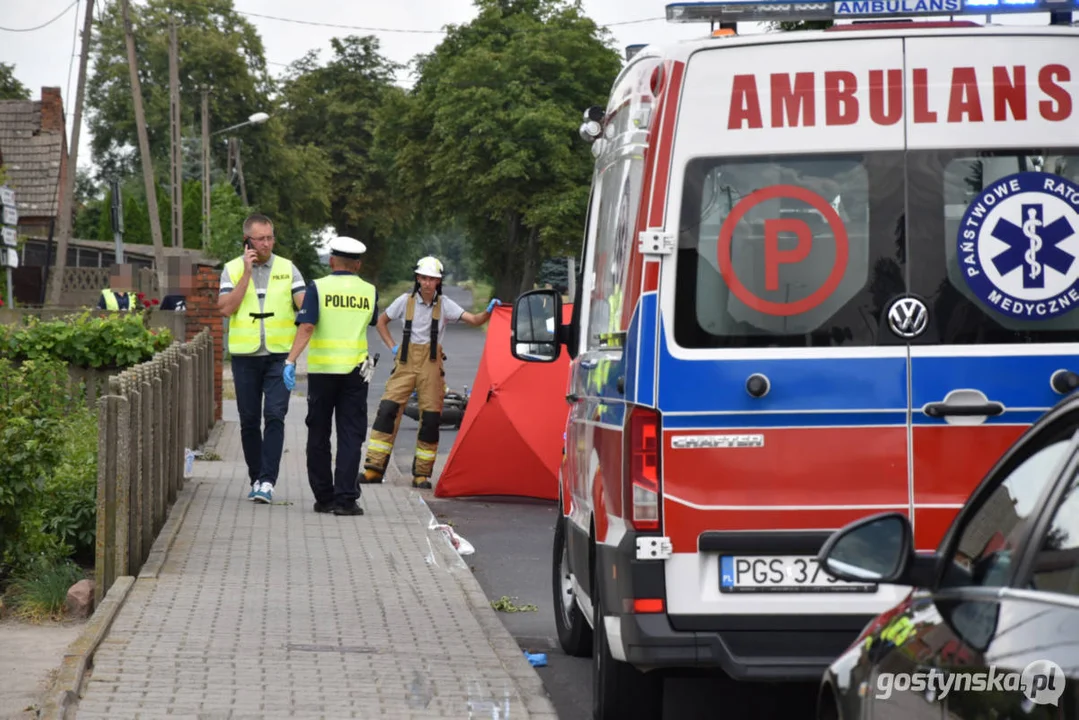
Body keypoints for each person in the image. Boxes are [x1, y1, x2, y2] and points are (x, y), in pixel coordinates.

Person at [361, 256, 502, 489]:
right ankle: (373, 470)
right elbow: (381, 322)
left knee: (430, 419)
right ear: (417, 278)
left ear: (438, 282)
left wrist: (488, 312)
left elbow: (474, 321)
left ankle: (422, 475)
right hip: (405, 364)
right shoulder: (404, 302)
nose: (427, 283)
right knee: (387, 411)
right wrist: (393, 347)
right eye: (424, 278)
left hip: (431, 366)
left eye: (432, 279)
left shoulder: (445, 304)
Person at [282, 237, 378, 516]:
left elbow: (308, 326)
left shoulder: (318, 287)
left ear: (331, 261)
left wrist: (290, 360)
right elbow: (369, 322)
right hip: (356, 373)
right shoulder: (369, 291)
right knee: (350, 434)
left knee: (319, 433)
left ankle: (324, 498)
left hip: (323, 373)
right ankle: (346, 499)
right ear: (358, 264)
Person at [217, 214, 306, 504]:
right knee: (249, 420)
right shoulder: (231, 270)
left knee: (275, 416)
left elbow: (304, 305)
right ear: (247, 241)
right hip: (245, 357)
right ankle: (256, 476)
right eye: (260, 238)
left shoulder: (287, 268)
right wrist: (246, 271)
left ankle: (268, 481)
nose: (267, 243)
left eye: (270, 237)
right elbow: (226, 309)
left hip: (280, 356)